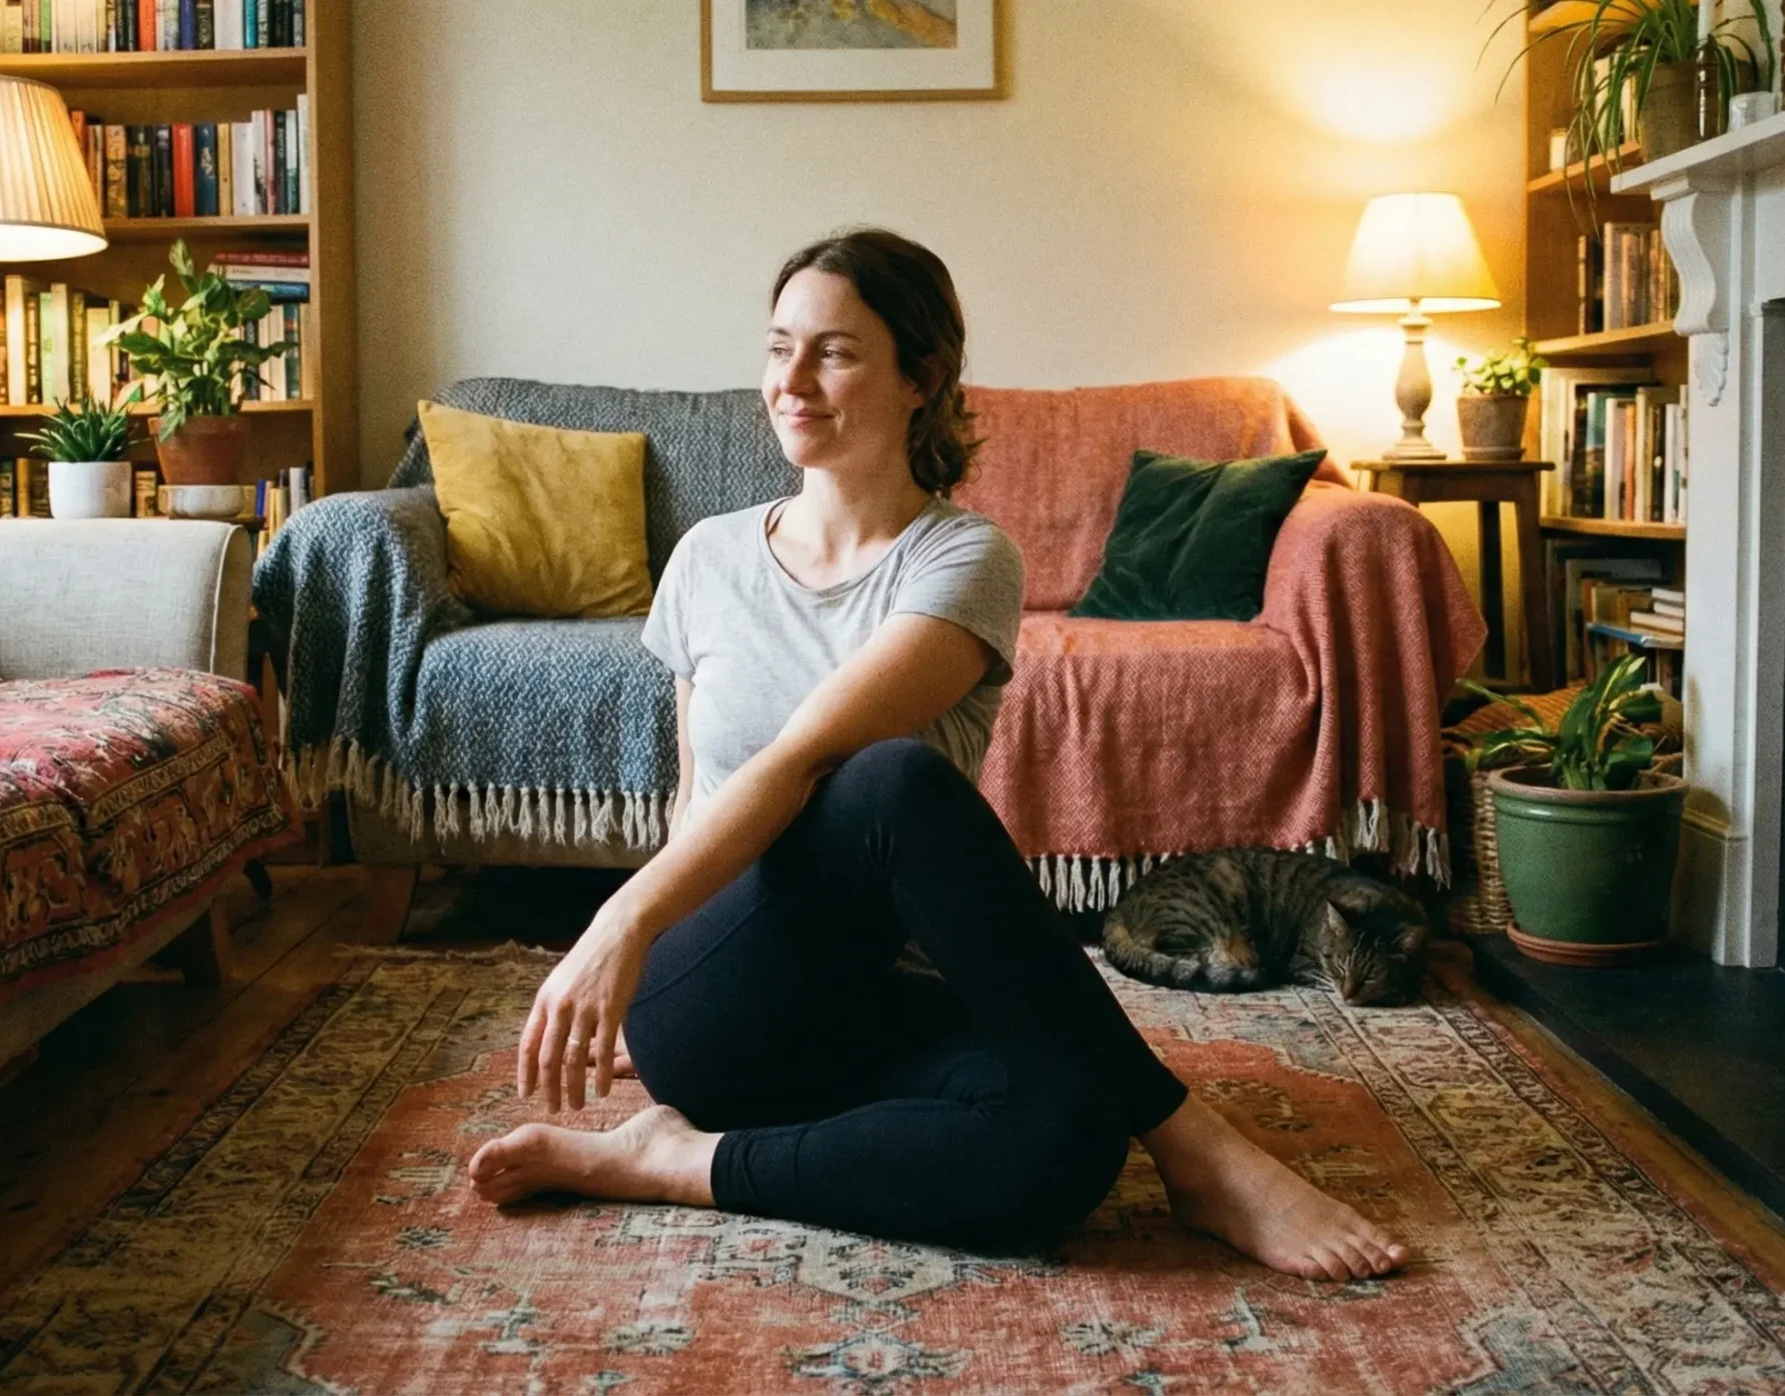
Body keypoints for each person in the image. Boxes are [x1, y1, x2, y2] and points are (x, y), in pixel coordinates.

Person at [464, 228, 1407, 1281]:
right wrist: (642, 938)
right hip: (719, 1003)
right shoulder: (709, 557)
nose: (792, 382)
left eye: (835, 352)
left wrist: (618, 930)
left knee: (1066, 1136)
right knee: (887, 781)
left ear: (922, 378)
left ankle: (677, 1160)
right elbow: (705, 792)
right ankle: (1199, 1151)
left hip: (879, 993)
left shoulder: (963, 559)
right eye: (779, 348)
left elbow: (803, 753)